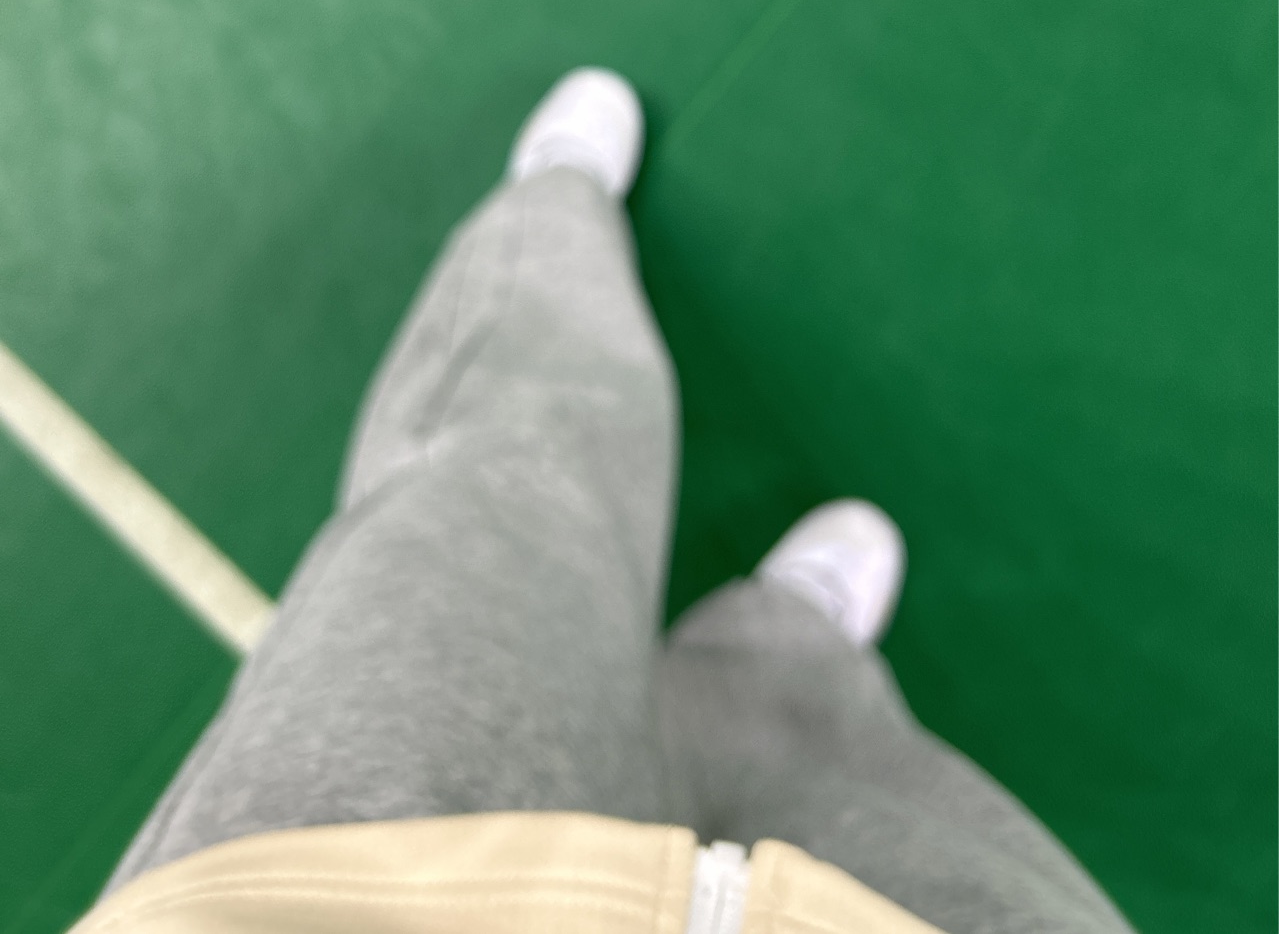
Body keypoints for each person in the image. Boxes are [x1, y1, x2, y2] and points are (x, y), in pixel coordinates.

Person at [80, 70, 1136, 934]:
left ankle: (553, 218)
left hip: (323, 900)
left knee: (503, 500)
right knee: (867, 800)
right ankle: (781, 656)